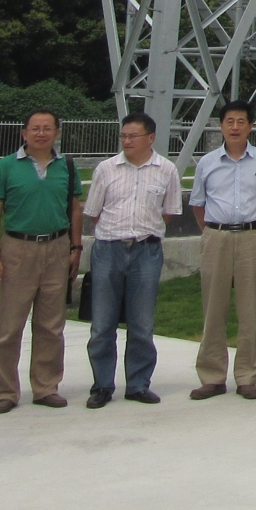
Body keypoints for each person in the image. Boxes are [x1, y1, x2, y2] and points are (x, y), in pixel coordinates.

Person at [0, 108, 84, 413]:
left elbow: (76, 208)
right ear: (24, 133)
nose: (41, 133)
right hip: (18, 248)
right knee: (9, 325)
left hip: (57, 246)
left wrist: (75, 248)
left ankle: (45, 386)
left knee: (51, 324)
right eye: (35, 128)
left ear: (57, 133)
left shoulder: (66, 166)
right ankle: (6, 391)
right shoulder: (6, 167)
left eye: (47, 128)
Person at [83, 113, 182, 407]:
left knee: (142, 323)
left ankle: (138, 384)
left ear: (150, 138)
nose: (127, 141)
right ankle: (102, 385)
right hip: (109, 249)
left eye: (133, 136)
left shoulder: (166, 170)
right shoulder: (106, 169)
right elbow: (94, 212)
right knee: (102, 324)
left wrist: (142, 232)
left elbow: (168, 212)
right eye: (123, 136)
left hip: (146, 252)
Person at [189, 99, 256, 400]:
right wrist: (213, 232)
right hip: (216, 237)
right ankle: (212, 376)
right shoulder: (207, 163)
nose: (235, 127)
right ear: (221, 126)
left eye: (241, 121)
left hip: (251, 238)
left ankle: (247, 376)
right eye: (229, 121)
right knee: (213, 309)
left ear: (251, 126)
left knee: (249, 309)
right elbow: (198, 205)